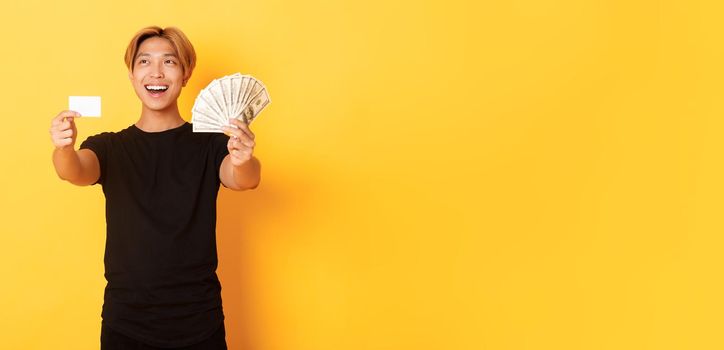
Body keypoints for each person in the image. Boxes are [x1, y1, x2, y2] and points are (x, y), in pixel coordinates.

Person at [48, 26, 261, 349]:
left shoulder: (211, 145)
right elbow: (75, 170)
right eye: (144, 62)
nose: (156, 72)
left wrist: (244, 158)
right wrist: (63, 148)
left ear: (186, 74)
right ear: (132, 75)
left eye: (170, 62)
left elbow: (244, 178)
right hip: (126, 323)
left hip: (199, 320)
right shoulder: (109, 147)